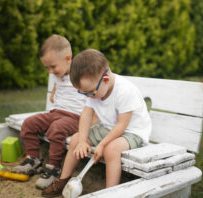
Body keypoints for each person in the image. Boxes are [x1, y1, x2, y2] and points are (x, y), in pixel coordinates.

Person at [42, 49, 152, 197]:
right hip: (108, 128)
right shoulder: (94, 88)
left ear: (105, 79)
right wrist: (82, 141)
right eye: (83, 93)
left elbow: (121, 125)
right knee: (75, 139)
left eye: (89, 92)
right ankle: (62, 181)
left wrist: (102, 145)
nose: (87, 96)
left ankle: (110, 193)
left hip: (132, 131)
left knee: (111, 150)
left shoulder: (125, 90)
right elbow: (86, 115)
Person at [12, 34, 87, 189]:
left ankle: (53, 168)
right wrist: (53, 91)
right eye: (47, 67)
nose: (50, 71)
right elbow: (59, 84)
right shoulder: (58, 73)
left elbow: (93, 97)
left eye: (53, 67)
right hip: (56, 113)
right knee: (29, 123)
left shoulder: (80, 73)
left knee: (56, 129)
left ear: (68, 58)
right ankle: (34, 160)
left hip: (75, 117)